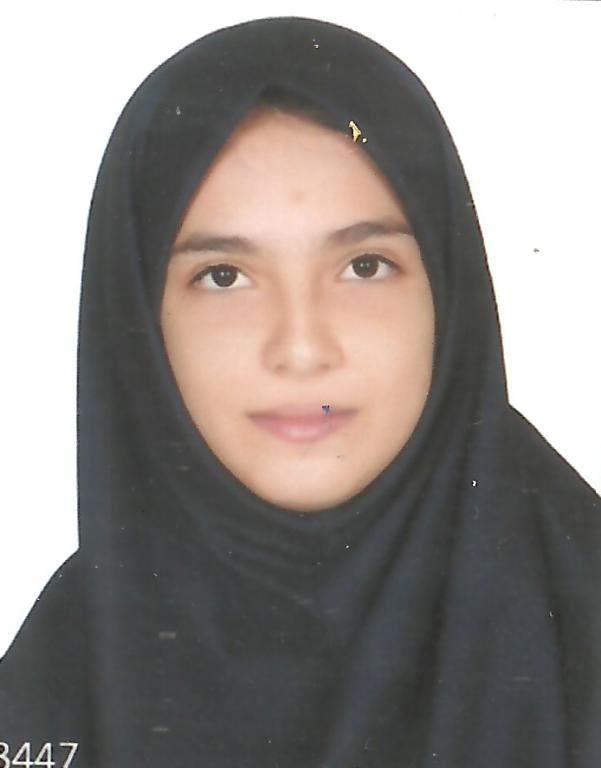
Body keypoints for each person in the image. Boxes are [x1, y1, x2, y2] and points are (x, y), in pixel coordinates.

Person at [0, 15, 599, 768]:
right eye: (224, 277)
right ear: (140, 322)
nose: (303, 347)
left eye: (365, 266)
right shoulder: (47, 701)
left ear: (448, 295)